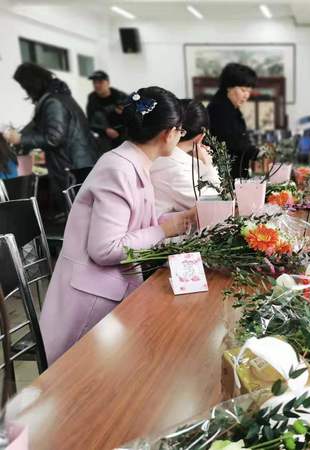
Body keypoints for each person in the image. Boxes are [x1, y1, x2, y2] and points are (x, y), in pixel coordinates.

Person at [39, 86, 196, 365]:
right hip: (90, 305)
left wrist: (179, 221)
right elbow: (104, 248)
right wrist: (165, 230)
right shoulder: (119, 168)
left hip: (108, 291)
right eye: (180, 130)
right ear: (168, 133)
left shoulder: (133, 160)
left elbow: (133, 224)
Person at [3, 63, 97, 213]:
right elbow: (38, 126)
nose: (26, 91)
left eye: (25, 86)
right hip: (78, 163)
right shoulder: (58, 97)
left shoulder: (53, 102)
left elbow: (53, 138)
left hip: (71, 167)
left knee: (77, 213)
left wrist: (20, 139)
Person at [151, 99, 220, 216]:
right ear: (200, 137)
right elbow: (217, 202)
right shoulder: (175, 168)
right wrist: (209, 166)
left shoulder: (160, 154)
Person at [207, 63, 258, 179]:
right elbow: (233, 142)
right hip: (226, 177)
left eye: (249, 91)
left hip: (234, 173)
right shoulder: (219, 109)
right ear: (229, 87)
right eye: (243, 90)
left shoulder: (229, 107)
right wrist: (257, 154)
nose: (247, 95)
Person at [86, 70, 128, 153]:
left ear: (108, 82)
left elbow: (135, 119)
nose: (97, 85)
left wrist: (124, 114)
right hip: (105, 140)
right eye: (94, 83)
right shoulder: (92, 99)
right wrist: (105, 130)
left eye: (100, 82)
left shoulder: (121, 96)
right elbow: (90, 122)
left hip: (124, 138)